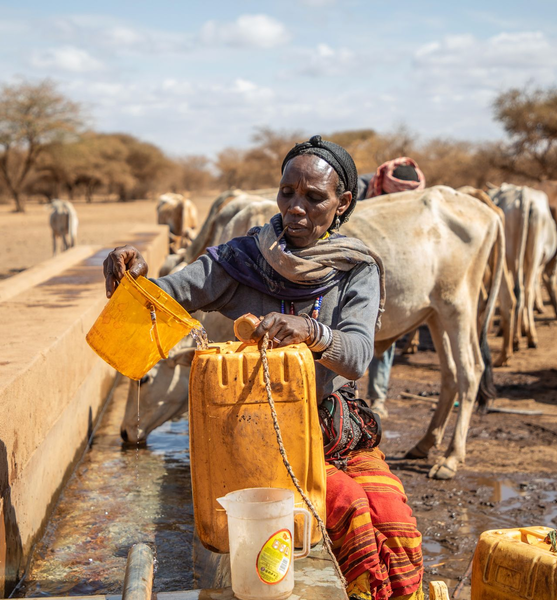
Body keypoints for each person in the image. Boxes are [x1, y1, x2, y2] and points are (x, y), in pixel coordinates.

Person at [103, 136, 423, 600]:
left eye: (314, 198)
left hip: (330, 430)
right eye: (287, 193)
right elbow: (165, 299)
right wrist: (135, 279)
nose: (296, 208)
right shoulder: (241, 261)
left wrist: (310, 331)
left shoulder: (355, 269)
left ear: (342, 203)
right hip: (258, 439)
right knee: (349, 506)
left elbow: (355, 358)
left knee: (392, 511)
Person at [362, 157, 426, 419]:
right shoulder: (360, 191)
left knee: (384, 331)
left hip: (392, 271)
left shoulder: (414, 202)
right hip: (357, 268)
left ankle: (377, 398)